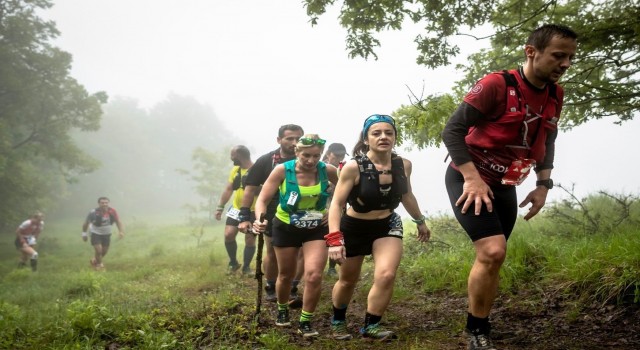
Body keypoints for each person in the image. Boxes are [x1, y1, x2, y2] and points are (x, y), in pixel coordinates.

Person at [441, 24, 578, 350]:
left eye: (571, 57)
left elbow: (549, 137)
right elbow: (452, 131)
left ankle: (481, 323)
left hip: (505, 185)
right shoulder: (496, 85)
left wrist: (543, 184)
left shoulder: (556, 94)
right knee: (492, 251)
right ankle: (475, 331)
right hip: (469, 178)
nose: (566, 64)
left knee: (493, 259)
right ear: (531, 51)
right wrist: (472, 179)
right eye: (559, 56)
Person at [326, 114, 431, 341]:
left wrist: (420, 220)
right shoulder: (353, 167)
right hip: (354, 226)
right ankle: (338, 321)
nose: (383, 137)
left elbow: (406, 195)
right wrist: (334, 239)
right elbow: (336, 204)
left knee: (386, 274)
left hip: (387, 223)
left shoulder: (403, 165)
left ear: (394, 137)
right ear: (366, 139)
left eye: (388, 132)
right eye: (376, 133)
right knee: (348, 280)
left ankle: (371, 326)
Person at [253, 134, 339, 337]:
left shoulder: (328, 170)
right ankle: (282, 308)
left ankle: (306, 320)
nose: (311, 161)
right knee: (285, 274)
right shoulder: (282, 170)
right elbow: (262, 200)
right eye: (306, 155)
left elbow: (346, 191)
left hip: (316, 226)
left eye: (316, 156)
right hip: (285, 225)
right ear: (297, 152)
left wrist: (334, 212)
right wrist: (259, 218)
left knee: (314, 275)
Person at [238, 124, 305, 302]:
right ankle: (270, 285)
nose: (294, 142)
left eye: (298, 138)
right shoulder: (266, 161)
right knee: (273, 252)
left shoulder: (308, 161)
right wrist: (245, 216)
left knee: (300, 253)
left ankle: (292, 287)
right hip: (273, 214)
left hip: (302, 214)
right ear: (279, 140)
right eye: (289, 138)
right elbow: (250, 188)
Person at [214, 145, 256, 275]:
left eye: (232, 155)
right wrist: (220, 207)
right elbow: (228, 189)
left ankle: (247, 267)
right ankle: (233, 262)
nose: (231, 158)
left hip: (253, 210)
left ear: (239, 155)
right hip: (236, 208)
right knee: (228, 234)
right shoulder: (235, 170)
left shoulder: (256, 170)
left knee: (249, 238)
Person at [322, 143, 348, 277]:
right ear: (328, 154)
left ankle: (331, 267)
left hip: (338, 206)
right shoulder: (319, 167)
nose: (339, 158)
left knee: (336, 234)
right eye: (336, 155)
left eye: (342, 156)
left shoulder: (344, 168)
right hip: (320, 207)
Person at [82, 197, 125, 270]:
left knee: (104, 251)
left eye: (106, 203)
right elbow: (86, 223)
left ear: (108, 203)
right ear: (99, 204)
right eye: (102, 203)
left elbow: (118, 221)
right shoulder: (93, 212)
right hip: (95, 233)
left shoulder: (112, 211)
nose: (104, 204)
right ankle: (99, 266)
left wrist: (121, 231)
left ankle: (95, 260)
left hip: (106, 233)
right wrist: (84, 234)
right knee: (98, 251)